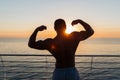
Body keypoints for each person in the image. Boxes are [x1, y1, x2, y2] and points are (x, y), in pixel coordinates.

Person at [28, 19, 94, 80]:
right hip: (71, 72)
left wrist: (36, 30)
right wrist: (80, 21)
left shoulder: (50, 42)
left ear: (55, 28)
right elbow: (90, 31)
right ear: (65, 27)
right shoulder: (74, 37)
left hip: (59, 73)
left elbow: (31, 44)